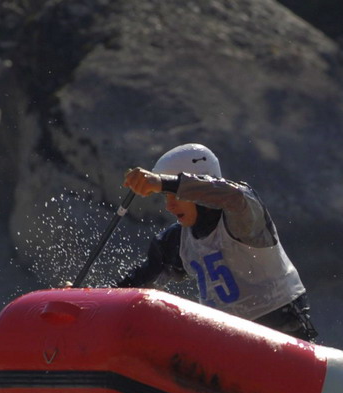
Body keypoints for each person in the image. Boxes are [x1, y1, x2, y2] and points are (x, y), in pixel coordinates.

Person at [112, 143, 317, 341]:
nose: (169, 206)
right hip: (226, 339)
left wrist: (163, 182)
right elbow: (140, 280)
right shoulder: (176, 240)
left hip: (283, 330)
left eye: (174, 196)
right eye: (166, 197)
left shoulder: (243, 216)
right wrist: (99, 299)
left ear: (198, 190)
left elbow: (233, 195)